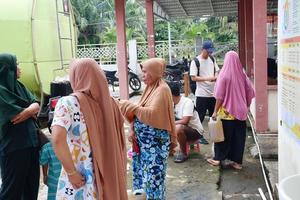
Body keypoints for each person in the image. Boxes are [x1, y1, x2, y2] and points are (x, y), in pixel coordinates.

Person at [51, 58, 127, 199]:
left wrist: (71, 172)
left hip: (80, 178)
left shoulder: (68, 103)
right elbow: (121, 142)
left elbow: (56, 139)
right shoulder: (112, 104)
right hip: (109, 176)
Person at [118, 58, 176, 200]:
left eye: (145, 72)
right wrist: (132, 128)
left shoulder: (162, 89)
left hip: (155, 146)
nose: (142, 75)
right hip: (143, 145)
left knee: (154, 179)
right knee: (144, 178)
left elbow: (152, 114)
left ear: (155, 72)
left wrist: (129, 106)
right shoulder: (150, 88)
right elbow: (139, 114)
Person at [0, 53, 40, 199]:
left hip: (31, 144)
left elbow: (36, 104)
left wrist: (29, 111)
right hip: (13, 147)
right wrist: (31, 110)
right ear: (7, 68)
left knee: (31, 186)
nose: (19, 68)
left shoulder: (19, 86)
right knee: (12, 190)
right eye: (16, 64)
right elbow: (13, 115)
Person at [207, 51, 255, 170]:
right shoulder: (242, 75)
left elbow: (219, 96)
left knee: (223, 136)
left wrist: (214, 111)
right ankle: (237, 162)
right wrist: (246, 105)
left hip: (227, 112)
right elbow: (250, 91)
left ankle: (218, 159)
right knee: (239, 137)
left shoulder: (224, 75)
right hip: (241, 111)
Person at [167, 81, 206, 163]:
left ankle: (183, 153)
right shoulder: (171, 103)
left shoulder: (187, 102)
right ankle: (170, 149)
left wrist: (170, 123)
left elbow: (185, 121)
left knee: (178, 127)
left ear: (170, 94)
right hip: (182, 128)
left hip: (195, 131)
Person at [190, 40, 219, 123]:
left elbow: (217, 70)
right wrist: (208, 78)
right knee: (200, 117)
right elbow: (193, 78)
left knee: (214, 117)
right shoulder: (195, 61)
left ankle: (214, 135)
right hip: (202, 94)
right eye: (208, 51)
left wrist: (216, 76)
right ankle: (199, 135)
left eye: (211, 52)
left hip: (213, 94)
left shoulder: (212, 59)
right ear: (202, 49)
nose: (209, 53)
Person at [40, 131, 62, 200]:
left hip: (53, 180)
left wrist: (45, 176)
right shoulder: (69, 143)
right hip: (67, 179)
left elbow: (44, 162)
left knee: (53, 196)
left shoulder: (47, 147)